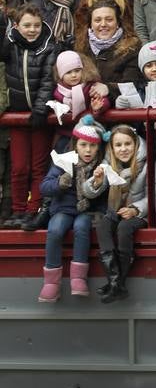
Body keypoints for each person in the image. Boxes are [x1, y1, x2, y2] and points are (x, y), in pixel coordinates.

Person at [38, 117, 107, 303]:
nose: (88, 150)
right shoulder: (64, 161)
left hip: (86, 211)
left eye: (92, 146)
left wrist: (99, 183)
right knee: (55, 230)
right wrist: (60, 183)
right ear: (75, 144)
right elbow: (44, 186)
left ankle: (78, 278)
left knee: (82, 227)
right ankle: (51, 282)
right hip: (63, 209)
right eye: (83, 145)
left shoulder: (101, 167)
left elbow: (104, 197)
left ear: (98, 148)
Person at [0, 3, 56, 229]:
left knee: (39, 166)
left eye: (36, 25)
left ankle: (35, 210)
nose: (32, 30)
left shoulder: (49, 48)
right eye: (26, 25)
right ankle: (19, 210)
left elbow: (47, 80)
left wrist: (41, 108)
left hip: (39, 116)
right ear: (17, 26)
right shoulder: (10, 46)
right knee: (19, 166)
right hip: (17, 114)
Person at [85, 124, 148, 303]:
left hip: (140, 214)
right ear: (112, 148)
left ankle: (118, 283)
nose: (123, 149)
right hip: (116, 210)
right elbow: (87, 191)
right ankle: (114, 282)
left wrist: (135, 209)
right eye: (118, 145)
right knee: (103, 224)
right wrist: (96, 182)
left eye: (128, 144)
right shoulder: (108, 164)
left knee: (124, 228)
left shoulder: (146, 164)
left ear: (135, 144)